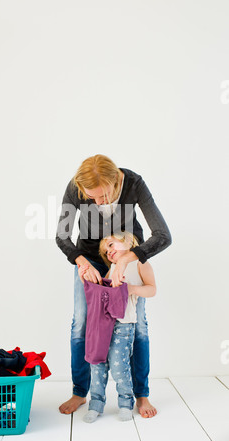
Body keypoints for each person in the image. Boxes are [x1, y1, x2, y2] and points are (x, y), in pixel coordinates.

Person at [56, 154, 171, 418]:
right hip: (90, 258)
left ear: (115, 182)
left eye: (104, 197)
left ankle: (141, 395)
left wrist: (127, 259)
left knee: (137, 323)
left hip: (128, 255)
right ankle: (79, 392)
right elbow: (62, 235)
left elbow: (163, 235)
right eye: (91, 198)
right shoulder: (76, 187)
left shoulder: (133, 184)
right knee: (81, 322)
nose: (98, 203)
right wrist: (81, 261)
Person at [80, 231, 156, 423]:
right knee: (97, 365)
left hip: (124, 325)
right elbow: (101, 289)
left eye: (112, 245)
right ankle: (96, 404)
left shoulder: (140, 263)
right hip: (102, 325)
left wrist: (131, 289)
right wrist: (85, 280)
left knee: (119, 366)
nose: (109, 252)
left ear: (129, 242)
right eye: (106, 251)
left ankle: (125, 403)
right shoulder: (113, 267)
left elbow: (152, 289)